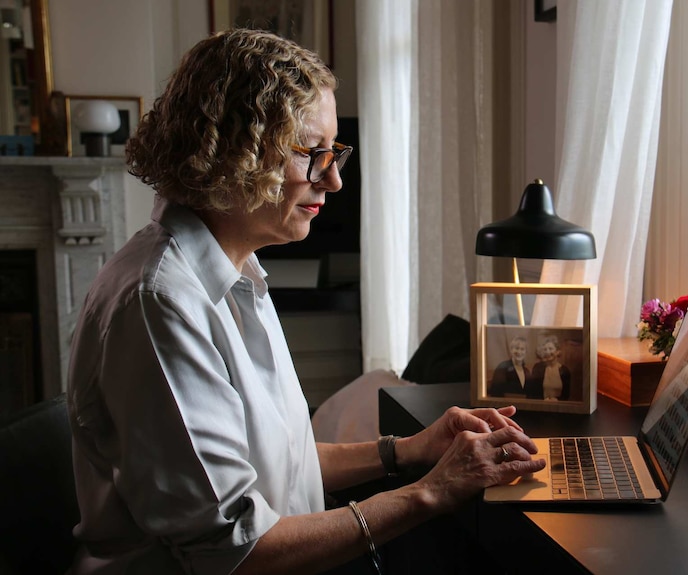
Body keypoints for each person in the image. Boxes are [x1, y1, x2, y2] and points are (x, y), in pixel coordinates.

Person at [65, 29, 545, 575]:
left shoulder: (236, 271)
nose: (334, 180)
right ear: (236, 154)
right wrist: (430, 492)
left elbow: (276, 468)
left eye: (333, 152)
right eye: (314, 155)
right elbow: (236, 552)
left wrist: (411, 449)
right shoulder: (161, 304)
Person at [525, 334, 571, 401]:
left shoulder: (564, 370)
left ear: (557, 351)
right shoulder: (538, 368)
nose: (547, 352)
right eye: (545, 349)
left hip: (559, 408)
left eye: (550, 349)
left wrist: (557, 400)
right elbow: (532, 393)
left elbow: (566, 395)